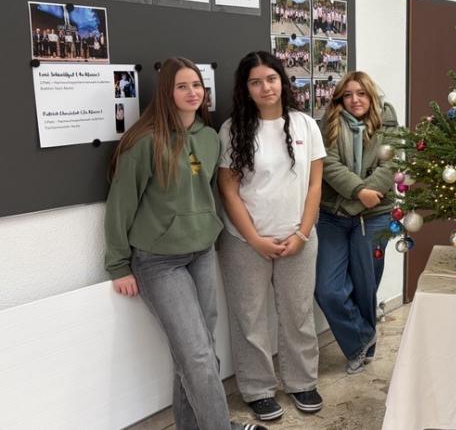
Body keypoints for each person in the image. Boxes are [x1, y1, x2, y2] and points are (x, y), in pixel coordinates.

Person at [104, 57, 264, 430]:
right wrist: (118, 264)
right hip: (159, 261)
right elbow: (119, 206)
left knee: (199, 352)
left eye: (197, 85)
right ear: (167, 92)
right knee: (198, 356)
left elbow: (208, 193)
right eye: (182, 86)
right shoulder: (144, 143)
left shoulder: (209, 138)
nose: (193, 92)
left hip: (201, 252)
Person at [217, 51, 326, 422]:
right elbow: (228, 190)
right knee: (250, 319)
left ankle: (302, 382)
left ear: (282, 81)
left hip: (298, 238)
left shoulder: (305, 125)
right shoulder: (232, 130)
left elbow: (315, 185)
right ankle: (258, 390)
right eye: (255, 82)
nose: (265, 87)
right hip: (245, 242)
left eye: (271, 79)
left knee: (298, 314)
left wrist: (302, 233)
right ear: (245, 89)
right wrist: (255, 239)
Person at [315, 71, 399, 375]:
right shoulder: (329, 123)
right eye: (348, 94)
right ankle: (362, 338)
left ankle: (362, 352)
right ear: (340, 98)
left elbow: (391, 165)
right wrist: (359, 193)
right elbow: (328, 164)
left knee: (365, 286)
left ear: (371, 96)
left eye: (361, 93)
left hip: (375, 217)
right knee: (327, 288)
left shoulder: (388, 122)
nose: (355, 100)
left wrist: (363, 197)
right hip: (333, 216)